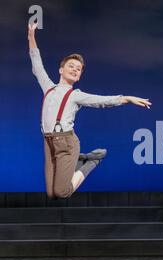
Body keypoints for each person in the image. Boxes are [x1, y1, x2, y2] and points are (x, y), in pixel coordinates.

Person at [28, 23, 152, 199]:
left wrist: (127, 98)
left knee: (62, 192)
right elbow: (36, 63)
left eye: (78, 69)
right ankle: (78, 160)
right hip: (48, 142)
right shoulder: (48, 87)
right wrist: (31, 35)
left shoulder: (76, 95)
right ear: (61, 70)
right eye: (71, 66)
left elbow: (102, 101)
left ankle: (93, 160)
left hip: (66, 143)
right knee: (51, 194)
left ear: (78, 77)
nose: (75, 70)